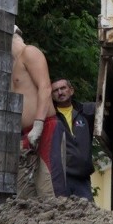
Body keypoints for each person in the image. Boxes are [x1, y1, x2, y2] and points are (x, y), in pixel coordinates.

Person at [11, 26, 66, 199]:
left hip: (45, 128)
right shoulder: (13, 64)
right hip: (27, 136)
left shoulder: (30, 52)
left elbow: (45, 87)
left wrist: (38, 125)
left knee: (49, 190)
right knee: (25, 197)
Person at [51, 78, 96, 202]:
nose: (60, 92)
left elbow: (106, 104)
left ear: (71, 90)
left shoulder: (86, 112)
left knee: (88, 215)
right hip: (61, 178)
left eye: (63, 88)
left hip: (82, 177)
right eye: (55, 90)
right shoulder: (50, 116)